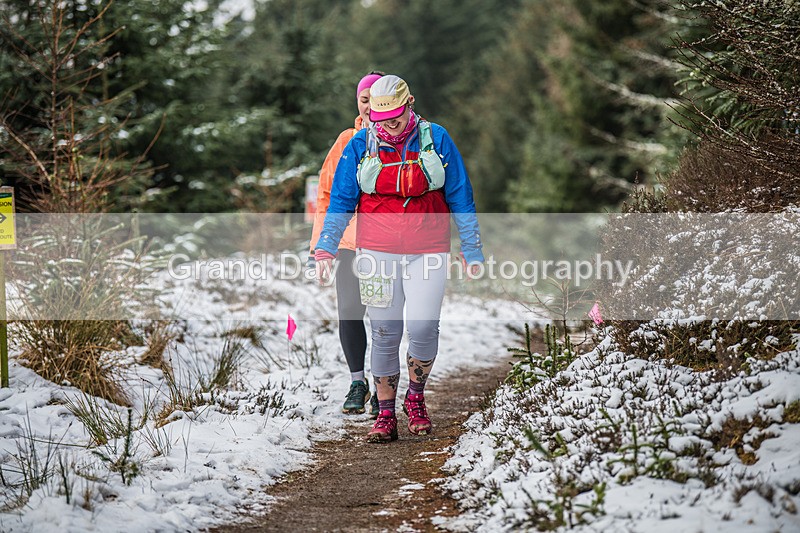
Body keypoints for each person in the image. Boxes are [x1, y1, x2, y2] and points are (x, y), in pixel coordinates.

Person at [314, 74, 483, 443]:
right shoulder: (360, 143)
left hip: (429, 249)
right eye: (380, 119)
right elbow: (340, 199)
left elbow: (460, 195)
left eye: (395, 117)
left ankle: (416, 398)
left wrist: (471, 248)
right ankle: (385, 412)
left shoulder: (436, 138)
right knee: (385, 332)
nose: (389, 125)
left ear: (410, 106)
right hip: (375, 250)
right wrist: (326, 246)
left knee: (423, 328)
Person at [309, 72, 384, 417]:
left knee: (385, 317)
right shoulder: (345, 141)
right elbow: (325, 195)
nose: (369, 107)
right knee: (350, 313)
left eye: (376, 99)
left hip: (387, 244)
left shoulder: (405, 139)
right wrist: (321, 247)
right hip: (349, 242)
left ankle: (383, 382)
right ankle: (358, 382)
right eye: (363, 100)